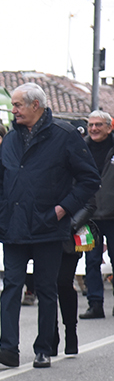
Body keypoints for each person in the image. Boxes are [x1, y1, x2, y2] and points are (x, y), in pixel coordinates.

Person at [0, 83, 100, 369]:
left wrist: (62, 210)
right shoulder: (11, 139)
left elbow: (89, 180)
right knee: (11, 286)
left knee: (47, 289)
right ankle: (8, 348)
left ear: (36, 105)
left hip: (48, 226)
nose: (13, 111)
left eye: (17, 105)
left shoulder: (64, 136)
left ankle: (44, 348)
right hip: (13, 225)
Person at [80, 110, 114, 319]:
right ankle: (95, 304)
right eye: (91, 125)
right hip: (86, 216)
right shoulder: (81, 148)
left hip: (113, 215)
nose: (93, 129)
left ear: (109, 127)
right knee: (90, 260)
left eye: (98, 125)